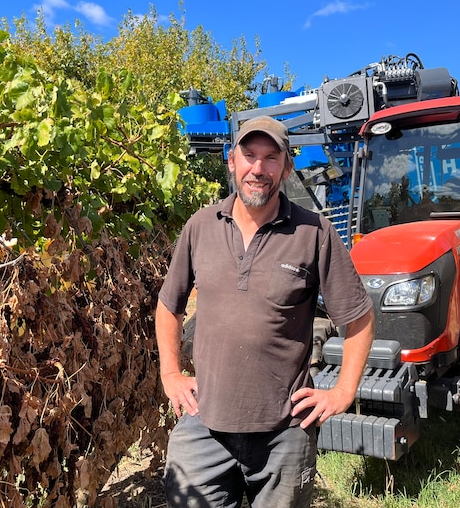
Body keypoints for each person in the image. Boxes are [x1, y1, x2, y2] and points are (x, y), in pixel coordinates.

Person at [155, 115, 375, 507]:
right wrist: (171, 373)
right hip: (204, 424)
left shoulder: (315, 233)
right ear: (231, 161)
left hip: (284, 434)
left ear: (287, 167)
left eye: (271, 158)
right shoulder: (200, 227)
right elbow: (169, 305)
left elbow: (358, 318)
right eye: (249, 155)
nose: (259, 168)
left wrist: (343, 392)